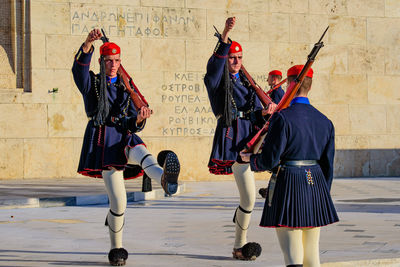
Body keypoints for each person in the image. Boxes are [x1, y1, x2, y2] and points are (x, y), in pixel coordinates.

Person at [72, 29, 180, 266]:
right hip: (105, 141)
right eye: (109, 60)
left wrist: (140, 119)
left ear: (121, 62)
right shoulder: (92, 83)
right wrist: (88, 44)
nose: (113, 64)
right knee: (118, 204)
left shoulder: (127, 87)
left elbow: (133, 122)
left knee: (144, 154)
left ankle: (165, 179)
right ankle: (116, 248)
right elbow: (78, 71)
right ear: (102, 61)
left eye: (117, 60)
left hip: (125, 135)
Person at [240, 65, 339, 267]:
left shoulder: (283, 118)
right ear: (310, 86)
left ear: (292, 85)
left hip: (289, 182)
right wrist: (322, 193)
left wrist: (249, 160)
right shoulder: (325, 121)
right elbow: (328, 165)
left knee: (292, 252)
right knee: (312, 255)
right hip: (316, 183)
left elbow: (270, 159)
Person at [204, 17, 276, 261]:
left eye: (240, 57)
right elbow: (214, 67)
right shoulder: (217, 82)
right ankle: (239, 245)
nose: (236, 61)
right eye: (232, 57)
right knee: (247, 197)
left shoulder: (247, 82)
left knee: (250, 196)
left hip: (251, 135)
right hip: (232, 138)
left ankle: (277, 182)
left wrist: (265, 111)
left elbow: (256, 112)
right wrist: (225, 35)